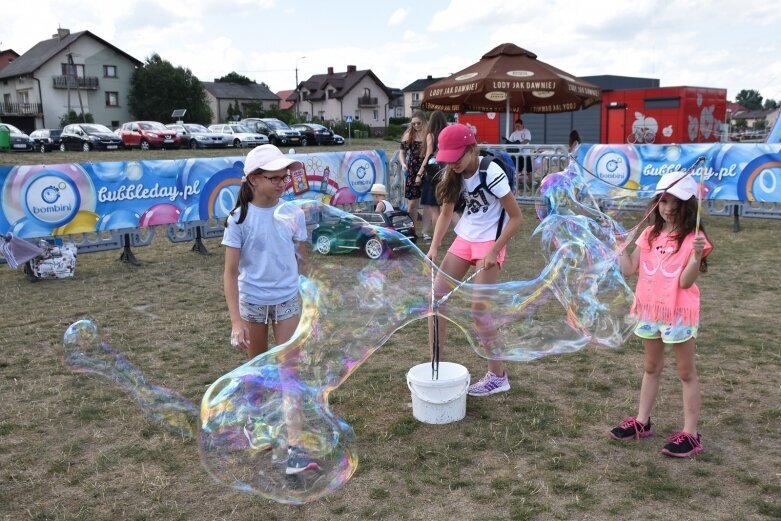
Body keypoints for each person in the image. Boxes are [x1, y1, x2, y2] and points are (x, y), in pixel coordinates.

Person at [222, 144, 318, 474]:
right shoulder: (239, 218)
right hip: (253, 305)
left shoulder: (292, 213)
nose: (282, 183)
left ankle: (295, 446)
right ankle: (257, 422)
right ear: (253, 180)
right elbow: (230, 272)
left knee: (290, 372)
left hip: (288, 301)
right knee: (258, 371)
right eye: (274, 178)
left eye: (284, 177)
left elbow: (301, 261)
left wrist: (307, 303)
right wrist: (236, 320)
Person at [609, 170, 713, 458]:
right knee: (651, 368)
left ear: (688, 204)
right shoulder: (649, 234)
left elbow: (685, 282)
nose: (668, 208)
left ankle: (691, 434)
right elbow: (630, 269)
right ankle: (642, 422)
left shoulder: (694, 238)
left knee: (685, 372)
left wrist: (695, 256)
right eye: (663, 201)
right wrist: (620, 247)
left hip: (678, 313)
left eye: (674, 202)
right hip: (649, 310)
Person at [427, 124, 523, 397]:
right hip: (465, 239)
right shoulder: (453, 172)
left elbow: (516, 217)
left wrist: (494, 251)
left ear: (471, 150)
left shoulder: (490, 172)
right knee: (437, 299)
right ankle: (436, 365)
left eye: (457, 157)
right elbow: (446, 214)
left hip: (489, 243)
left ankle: (498, 375)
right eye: (448, 158)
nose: (453, 163)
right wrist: (434, 247)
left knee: (479, 311)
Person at [399, 110, 434, 228]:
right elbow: (402, 152)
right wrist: (403, 163)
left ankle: (425, 231)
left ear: (424, 122)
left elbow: (428, 156)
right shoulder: (409, 134)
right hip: (411, 170)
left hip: (426, 170)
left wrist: (420, 174)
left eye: (418, 123)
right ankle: (411, 229)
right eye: (413, 124)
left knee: (428, 203)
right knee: (412, 204)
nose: (416, 126)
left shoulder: (428, 135)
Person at [419, 110, 448, 240]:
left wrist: (419, 173)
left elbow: (428, 155)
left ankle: (437, 238)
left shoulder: (431, 135)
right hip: (447, 171)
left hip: (433, 174)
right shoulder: (447, 133)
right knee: (448, 207)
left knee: (435, 209)